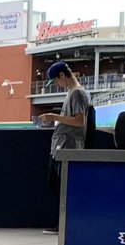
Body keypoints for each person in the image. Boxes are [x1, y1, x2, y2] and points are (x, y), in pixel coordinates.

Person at [39, 60, 91, 233]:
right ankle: (62, 223)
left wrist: (55, 117)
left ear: (62, 75)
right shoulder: (72, 93)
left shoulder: (77, 94)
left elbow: (79, 121)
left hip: (69, 146)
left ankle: (65, 224)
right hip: (62, 146)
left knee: (62, 187)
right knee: (55, 184)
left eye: (56, 80)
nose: (56, 84)